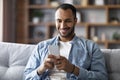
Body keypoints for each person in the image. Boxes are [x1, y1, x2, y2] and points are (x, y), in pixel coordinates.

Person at [24, 3, 108, 80]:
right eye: (59, 21)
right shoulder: (41, 47)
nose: (63, 26)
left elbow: (102, 77)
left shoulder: (90, 47)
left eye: (68, 21)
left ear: (75, 21)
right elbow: (26, 77)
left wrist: (73, 69)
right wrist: (41, 69)